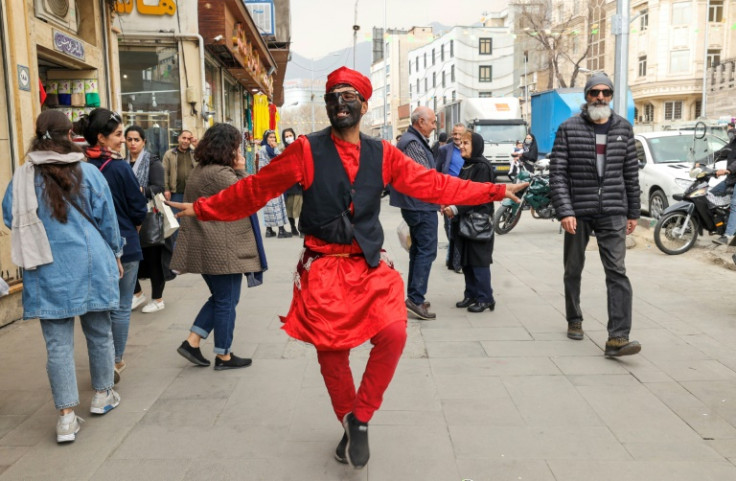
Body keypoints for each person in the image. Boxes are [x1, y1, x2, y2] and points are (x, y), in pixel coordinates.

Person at [168, 66, 527, 470]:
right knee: (332, 351)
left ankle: (360, 416)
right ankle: (349, 419)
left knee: (393, 333)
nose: (340, 103)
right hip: (323, 268)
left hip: (370, 265)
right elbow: (256, 189)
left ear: (364, 104)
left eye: (348, 95)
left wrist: (495, 189)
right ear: (326, 106)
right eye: (333, 97)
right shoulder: (305, 150)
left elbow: (435, 185)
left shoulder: (384, 154)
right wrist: (201, 208)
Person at [2, 110, 124, 443]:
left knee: (57, 345)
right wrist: (116, 253)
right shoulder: (88, 172)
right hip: (92, 263)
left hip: (47, 268)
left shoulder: (24, 177)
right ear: (70, 134)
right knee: (99, 332)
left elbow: (12, 217)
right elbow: (108, 220)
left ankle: (66, 419)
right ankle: (102, 396)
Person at [549, 72, 642, 358]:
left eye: (606, 92)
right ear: (586, 96)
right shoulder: (568, 128)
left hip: (613, 210)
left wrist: (633, 212)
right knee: (573, 268)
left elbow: (630, 174)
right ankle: (574, 318)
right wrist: (565, 210)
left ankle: (618, 337)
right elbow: (558, 174)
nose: (600, 97)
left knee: (617, 272)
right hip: (578, 211)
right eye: (594, 92)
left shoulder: (624, 129)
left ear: (611, 96)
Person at [172, 123, 266, 371]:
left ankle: (192, 341)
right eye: (236, 146)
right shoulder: (219, 174)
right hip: (221, 249)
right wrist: (243, 170)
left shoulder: (201, 169)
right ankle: (223, 355)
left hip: (208, 245)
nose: (239, 150)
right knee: (226, 301)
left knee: (222, 298)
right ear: (228, 147)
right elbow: (250, 197)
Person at [79, 109, 148, 381]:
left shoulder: (77, 168)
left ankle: (103, 358)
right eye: (119, 135)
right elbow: (138, 208)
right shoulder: (119, 168)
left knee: (97, 308)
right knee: (120, 307)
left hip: (89, 248)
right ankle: (115, 360)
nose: (123, 140)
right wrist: (135, 227)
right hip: (125, 245)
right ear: (101, 137)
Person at [390, 106, 440, 320]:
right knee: (426, 251)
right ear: (420, 121)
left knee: (419, 251)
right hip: (420, 205)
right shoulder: (412, 142)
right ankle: (415, 299)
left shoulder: (413, 140)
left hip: (419, 204)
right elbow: (424, 176)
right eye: (432, 122)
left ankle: (414, 296)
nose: (434, 126)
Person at [441, 131, 497, 312]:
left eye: (466, 143)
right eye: (461, 143)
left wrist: (455, 208)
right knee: (466, 259)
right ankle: (471, 295)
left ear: (476, 146)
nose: (461, 146)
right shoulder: (468, 165)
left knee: (478, 260)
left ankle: (485, 298)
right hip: (464, 221)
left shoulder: (482, 167)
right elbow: (460, 190)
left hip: (478, 223)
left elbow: (475, 196)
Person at [125, 125, 174, 313]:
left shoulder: (152, 162)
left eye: (136, 139)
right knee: (132, 257)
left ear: (144, 142)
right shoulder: (124, 162)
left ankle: (158, 299)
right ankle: (137, 294)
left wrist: (139, 190)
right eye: (129, 139)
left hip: (149, 216)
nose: (132, 143)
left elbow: (159, 187)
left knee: (153, 259)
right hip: (130, 217)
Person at [437, 123, 467, 273]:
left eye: (459, 134)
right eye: (454, 133)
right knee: (449, 228)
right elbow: (436, 172)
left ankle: (456, 260)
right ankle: (452, 257)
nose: (456, 137)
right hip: (448, 194)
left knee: (460, 228)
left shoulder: (469, 150)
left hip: (465, 195)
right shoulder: (444, 150)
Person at [258, 129, 292, 238]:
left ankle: (269, 230)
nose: (272, 139)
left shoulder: (266, 149)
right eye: (270, 137)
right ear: (266, 139)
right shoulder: (266, 149)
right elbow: (280, 159)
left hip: (270, 182)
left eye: (273, 137)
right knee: (276, 207)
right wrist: (276, 148)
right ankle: (281, 230)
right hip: (272, 182)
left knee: (270, 207)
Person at [710, 131, 736, 245]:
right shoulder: (733, 143)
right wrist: (701, 161)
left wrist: (728, 170)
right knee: (710, 195)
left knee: (735, 204)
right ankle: (719, 226)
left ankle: (728, 235)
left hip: (731, 175)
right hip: (731, 179)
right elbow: (720, 153)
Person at [162, 130, 196, 203]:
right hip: (175, 194)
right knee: (175, 214)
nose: (186, 141)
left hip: (192, 193)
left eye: (188, 139)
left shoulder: (195, 154)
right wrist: (166, 189)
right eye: (184, 138)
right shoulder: (169, 154)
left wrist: (196, 145)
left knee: (190, 214)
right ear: (179, 138)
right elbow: (164, 173)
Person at [282, 127, 303, 237]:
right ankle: (293, 227)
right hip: (288, 183)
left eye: (290, 135)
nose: (289, 138)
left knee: (301, 208)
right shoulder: (282, 151)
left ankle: (302, 229)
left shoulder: (299, 147)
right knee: (289, 207)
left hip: (299, 182)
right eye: (286, 136)